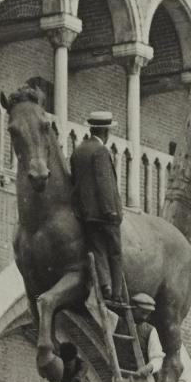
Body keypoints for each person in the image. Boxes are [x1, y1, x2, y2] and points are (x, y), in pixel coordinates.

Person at [69, 111, 129, 314]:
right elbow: (105, 183)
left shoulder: (78, 151)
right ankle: (117, 294)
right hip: (105, 213)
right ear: (105, 131)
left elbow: (75, 182)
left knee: (98, 249)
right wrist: (111, 211)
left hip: (86, 214)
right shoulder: (101, 151)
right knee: (115, 251)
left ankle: (105, 285)